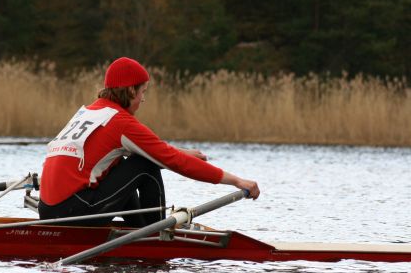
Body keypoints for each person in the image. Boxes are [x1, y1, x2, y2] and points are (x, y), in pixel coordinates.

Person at [38, 57, 260, 227]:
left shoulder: (89, 112)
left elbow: (153, 149)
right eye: (143, 92)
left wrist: (181, 152)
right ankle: (156, 233)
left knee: (121, 163)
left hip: (47, 210)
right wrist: (237, 181)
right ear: (130, 90)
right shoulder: (121, 122)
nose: (143, 99)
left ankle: (141, 228)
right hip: (75, 211)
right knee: (145, 164)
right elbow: (172, 160)